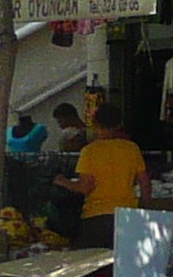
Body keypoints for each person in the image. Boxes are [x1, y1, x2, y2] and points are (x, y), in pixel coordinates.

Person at [57, 103, 151, 249]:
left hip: (96, 217)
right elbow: (145, 183)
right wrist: (144, 206)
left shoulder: (90, 151)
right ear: (119, 124)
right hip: (127, 215)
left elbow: (85, 188)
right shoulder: (131, 148)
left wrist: (61, 181)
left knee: (95, 266)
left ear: (95, 123)